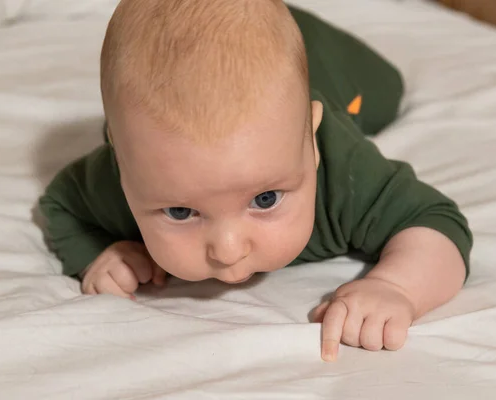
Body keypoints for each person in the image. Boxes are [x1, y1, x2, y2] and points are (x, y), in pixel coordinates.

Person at [39, 0, 473, 362]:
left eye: (265, 198)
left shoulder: (342, 171)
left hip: (339, 75)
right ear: (120, 159)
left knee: (385, 92)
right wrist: (99, 253)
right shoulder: (129, 172)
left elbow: (436, 221)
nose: (228, 249)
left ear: (313, 142)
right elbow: (63, 205)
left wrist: (396, 286)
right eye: (180, 211)